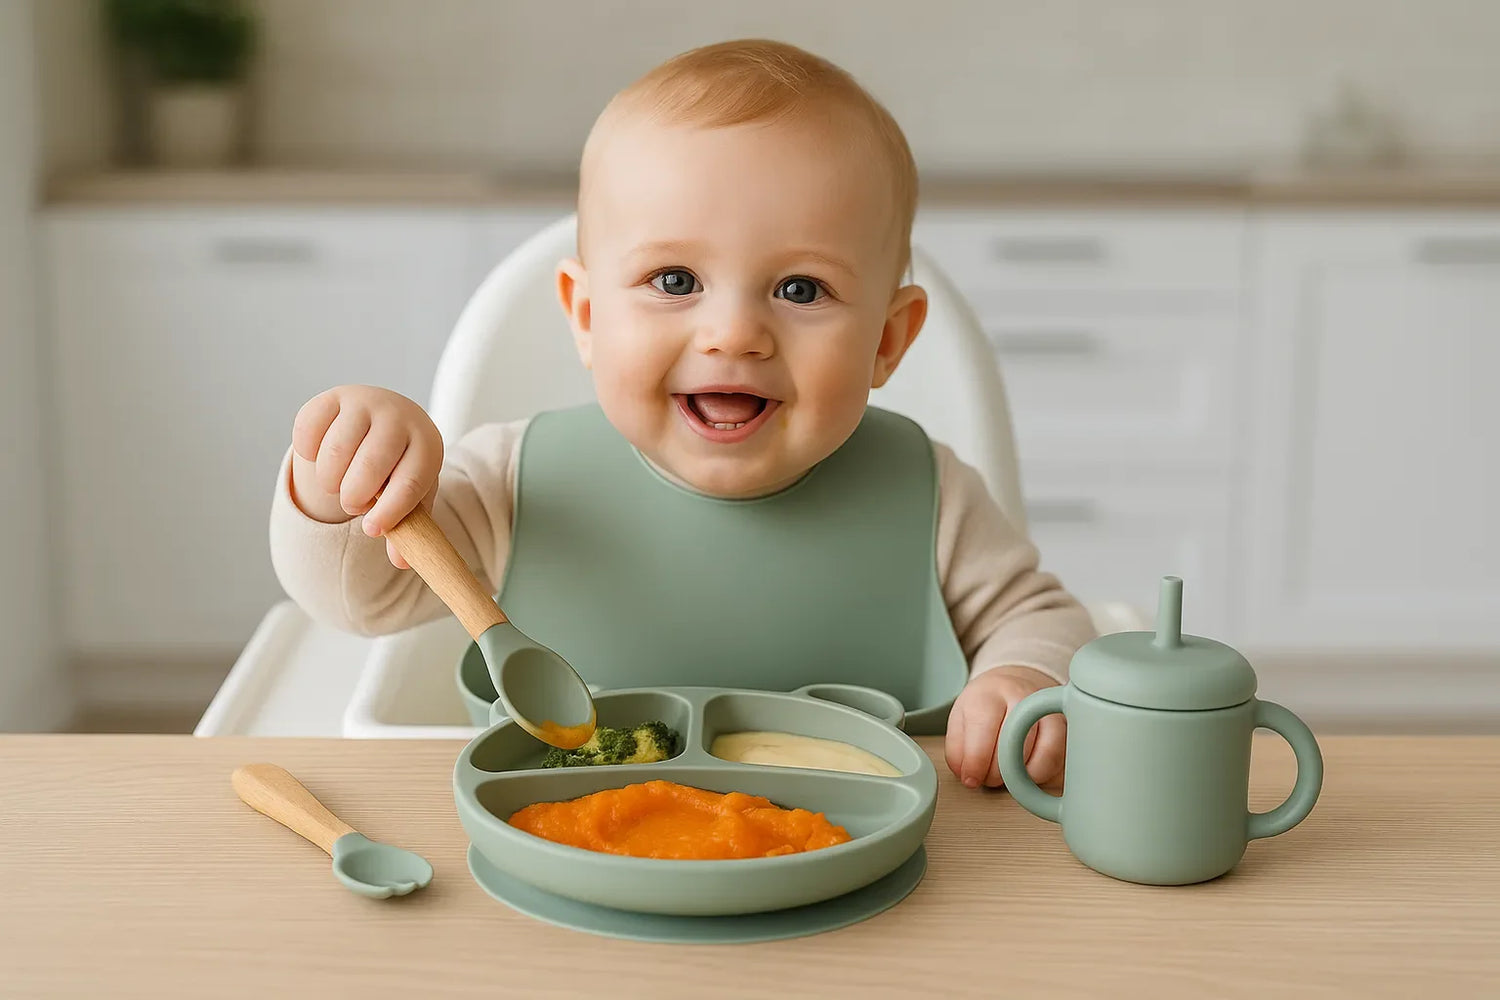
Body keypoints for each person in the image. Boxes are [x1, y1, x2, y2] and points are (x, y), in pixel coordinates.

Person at [269, 39, 1095, 791]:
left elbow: (1039, 616)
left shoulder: (929, 494)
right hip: (575, 853)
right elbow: (361, 598)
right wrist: (337, 484)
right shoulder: (514, 484)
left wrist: (1023, 680)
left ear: (887, 338)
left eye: (800, 289)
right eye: (674, 281)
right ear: (587, 317)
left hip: (862, 857)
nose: (734, 333)